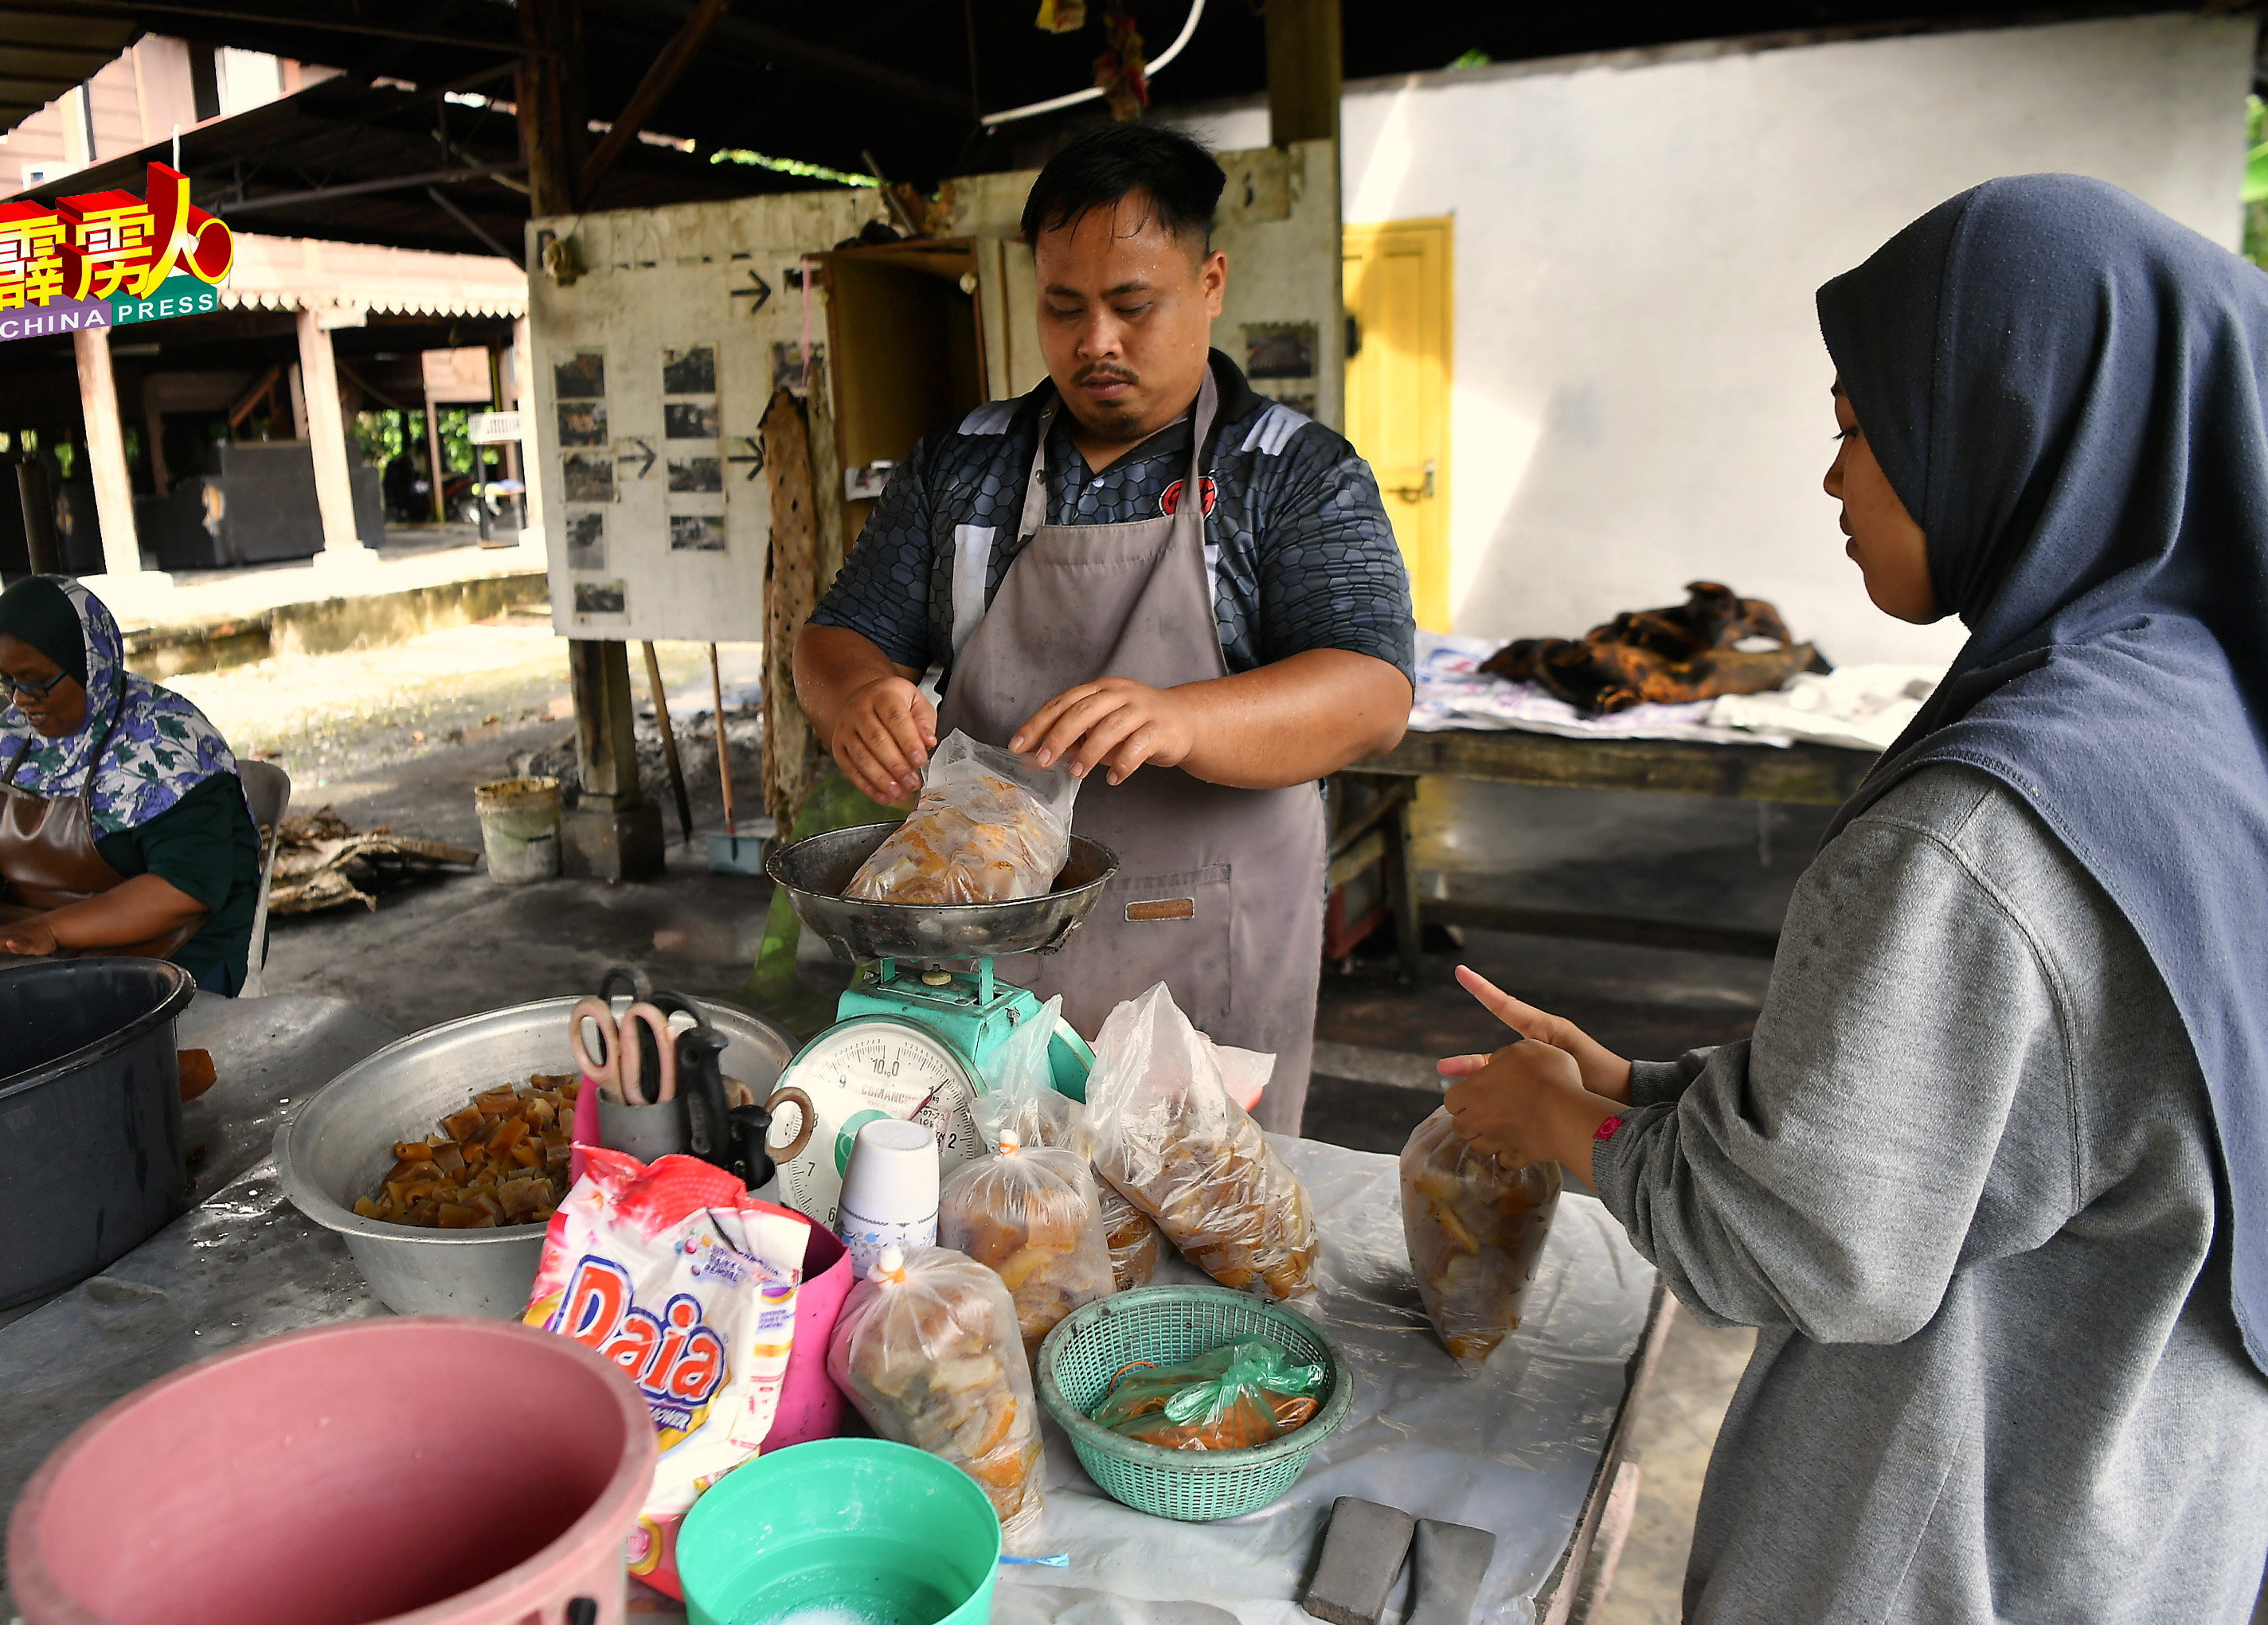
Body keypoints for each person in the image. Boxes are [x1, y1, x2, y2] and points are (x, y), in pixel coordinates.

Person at [1433, 176, 2268, 1620]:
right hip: (2155, 1505)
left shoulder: (1986, 834)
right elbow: (2020, 1117)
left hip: (1962, 1540)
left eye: (1857, 426)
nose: (1832, 480)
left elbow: (1820, 1243)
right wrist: (1648, 1087)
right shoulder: (2199, 719)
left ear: (2010, 425)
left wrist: (1569, 1129)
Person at [796, 124, 1416, 1133]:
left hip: (1200, 949)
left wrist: (1184, 719)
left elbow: (1373, 694)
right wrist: (855, 696)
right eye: (1063, 306)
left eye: (1133, 306)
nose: (1096, 342)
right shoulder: (965, 464)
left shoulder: (1288, 471)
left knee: (1196, 1230)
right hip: (986, 942)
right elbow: (837, 636)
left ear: (1209, 282)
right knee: (992, 1224)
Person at [0, 576, 264, 995]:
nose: (19, 699)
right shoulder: (10, 738)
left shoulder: (167, 740)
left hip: (172, 957)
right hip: (36, 951)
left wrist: (51, 929)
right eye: (6, 680)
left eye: (35, 681)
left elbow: (186, 888)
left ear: (90, 665)